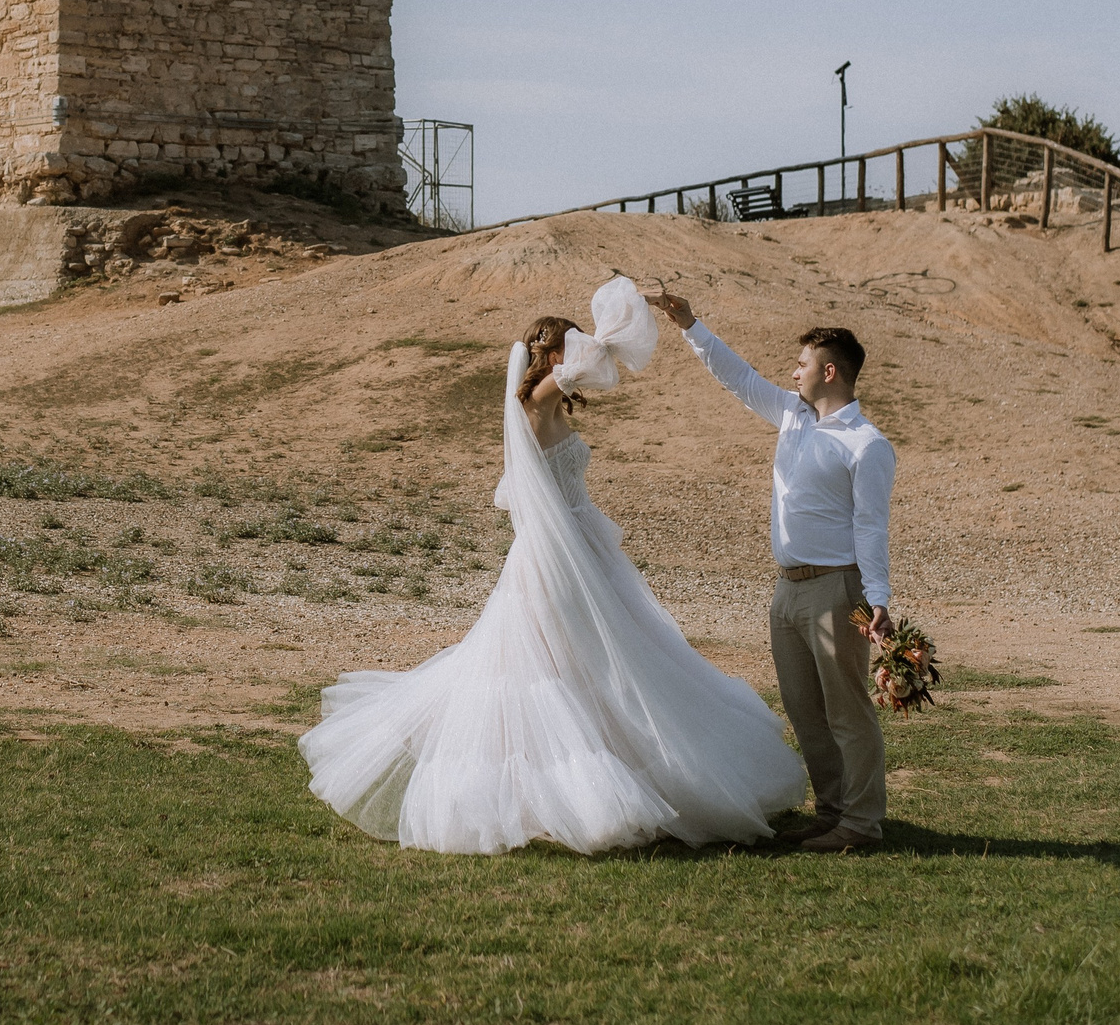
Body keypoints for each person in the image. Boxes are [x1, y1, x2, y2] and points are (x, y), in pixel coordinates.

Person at [297, 275, 809, 855]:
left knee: (602, 659)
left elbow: (593, 373)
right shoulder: (535, 399)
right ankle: (564, 795)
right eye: (570, 343)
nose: (581, 350)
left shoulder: (550, 402)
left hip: (581, 543)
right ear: (550, 354)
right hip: (552, 554)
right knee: (554, 666)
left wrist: (630, 319)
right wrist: (621, 317)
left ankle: (623, 775)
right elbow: (587, 366)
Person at [646, 287, 896, 854]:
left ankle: (861, 824)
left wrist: (877, 600)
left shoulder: (867, 445)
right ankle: (832, 813)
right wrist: (690, 325)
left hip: (839, 590)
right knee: (806, 712)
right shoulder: (791, 415)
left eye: (802, 362)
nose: (793, 371)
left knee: (847, 713)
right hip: (787, 592)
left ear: (829, 371)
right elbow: (738, 377)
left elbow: (871, 528)